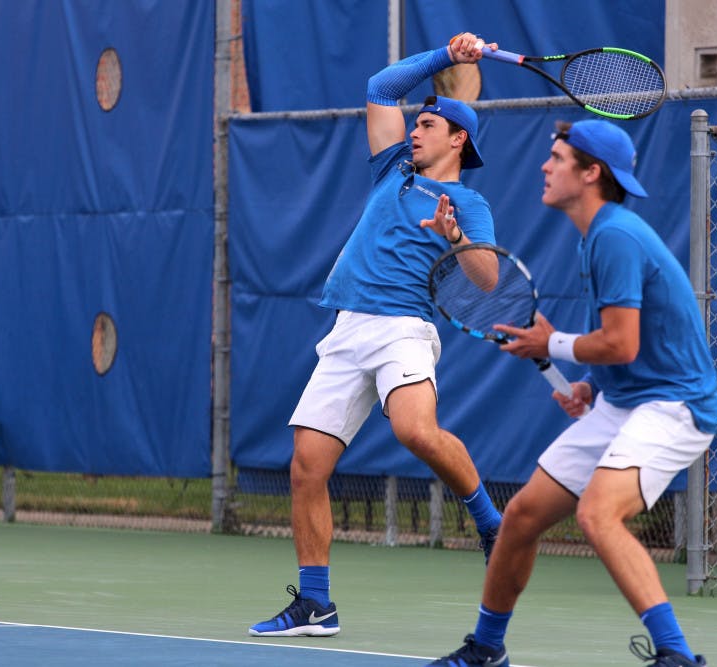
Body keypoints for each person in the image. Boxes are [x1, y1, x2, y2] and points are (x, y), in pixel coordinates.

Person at [427, 119, 717, 667]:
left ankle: (677, 656)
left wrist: (551, 344)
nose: (545, 165)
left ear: (591, 173)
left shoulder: (615, 237)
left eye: (558, 158)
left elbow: (623, 342)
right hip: (626, 400)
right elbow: (630, 342)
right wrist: (589, 385)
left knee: (598, 514)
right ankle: (487, 649)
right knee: (522, 516)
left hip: (676, 406)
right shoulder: (597, 236)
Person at [249, 33, 504, 638]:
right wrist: (447, 56)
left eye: (428, 125)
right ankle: (316, 603)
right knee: (307, 466)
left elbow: (488, 277)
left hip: (402, 329)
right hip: (348, 327)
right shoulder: (393, 169)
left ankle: (492, 524)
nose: (414, 131)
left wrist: (455, 237)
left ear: (458, 139)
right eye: (415, 124)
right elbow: (381, 89)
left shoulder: (467, 203)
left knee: (416, 431)